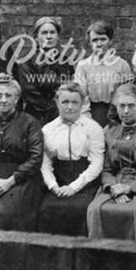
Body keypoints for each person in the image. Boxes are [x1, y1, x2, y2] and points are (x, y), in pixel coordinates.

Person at [88, 83, 136, 242]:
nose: (125, 111)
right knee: (95, 209)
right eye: (121, 106)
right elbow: (106, 168)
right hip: (115, 184)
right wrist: (113, 189)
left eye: (131, 106)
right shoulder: (109, 132)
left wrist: (130, 189)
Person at [0, 73, 45, 231]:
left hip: (22, 179)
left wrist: (10, 181)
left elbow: (35, 158)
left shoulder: (30, 123)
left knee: (12, 211)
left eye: (8, 95)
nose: (3, 99)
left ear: (16, 98)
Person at [37, 83, 105, 235]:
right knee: (46, 209)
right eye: (65, 102)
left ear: (82, 104)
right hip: (58, 182)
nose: (69, 107)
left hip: (85, 184)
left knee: (80, 211)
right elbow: (45, 164)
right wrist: (54, 186)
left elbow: (97, 163)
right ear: (57, 102)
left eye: (75, 102)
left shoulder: (93, 128)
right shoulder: (47, 130)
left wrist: (73, 187)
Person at [73, 20, 132, 128]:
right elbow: (81, 97)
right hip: (90, 115)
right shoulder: (83, 66)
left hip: (117, 115)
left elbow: (126, 94)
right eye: (95, 40)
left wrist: (115, 120)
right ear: (90, 43)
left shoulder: (122, 65)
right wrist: (89, 124)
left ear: (110, 41)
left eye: (103, 39)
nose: (99, 44)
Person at [16, 16, 74, 124]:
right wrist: (56, 110)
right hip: (37, 118)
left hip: (64, 116)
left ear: (57, 37)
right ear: (36, 38)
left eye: (52, 32)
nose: (49, 36)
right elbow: (31, 94)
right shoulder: (27, 62)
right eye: (44, 33)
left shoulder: (64, 61)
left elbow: (71, 87)